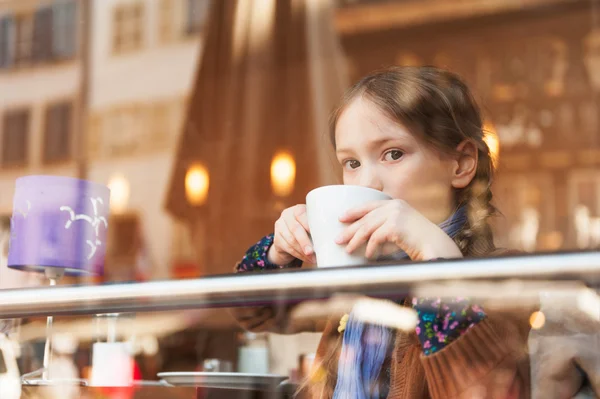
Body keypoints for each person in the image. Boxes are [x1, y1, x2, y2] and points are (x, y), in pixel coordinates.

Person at [233, 66, 534, 398]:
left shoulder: (503, 278)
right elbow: (253, 313)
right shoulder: (360, 270)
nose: (367, 183)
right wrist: (280, 251)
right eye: (352, 163)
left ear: (461, 164)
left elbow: (488, 393)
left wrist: (436, 262)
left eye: (393, 154)